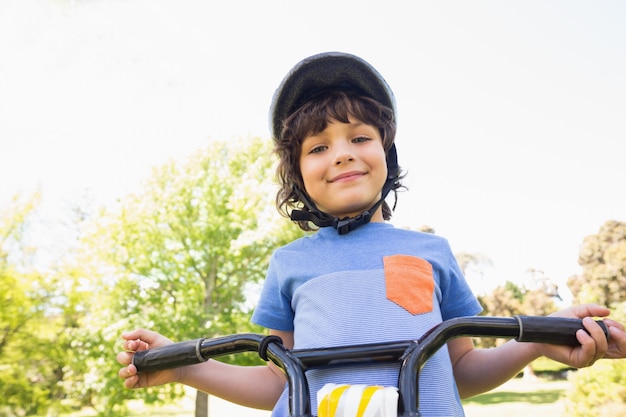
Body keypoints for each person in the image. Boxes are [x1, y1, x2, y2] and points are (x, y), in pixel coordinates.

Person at [117, 52, 626, 416]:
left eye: (360, 138)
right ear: (298, 175)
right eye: (318, 147)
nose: (341, 153)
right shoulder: (289, 265)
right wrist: (184, 368)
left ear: (388, 155)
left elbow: (463, 370)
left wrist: (540, 339)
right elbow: (278, 381)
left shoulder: (431, 252)